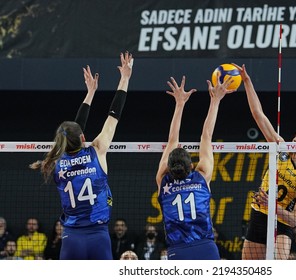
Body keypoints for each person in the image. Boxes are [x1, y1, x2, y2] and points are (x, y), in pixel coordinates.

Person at [29, 51, 134, 260]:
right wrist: (124, 78)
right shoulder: (97, 150)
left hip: (71, 239)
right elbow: (114, 116)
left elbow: (74, 132)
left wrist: (90, 93)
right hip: (98, 236)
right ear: (83, 137)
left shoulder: (56, 162)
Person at [233, 63, 296, 260]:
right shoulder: (281, 148)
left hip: (282, 222)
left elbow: (295, 220)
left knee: (278, 266)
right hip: (259, 216)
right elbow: (258, 115)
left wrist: (273, 205)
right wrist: (247, 81)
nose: (295, 139)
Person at [155, 74, 234, 260]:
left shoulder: (162, 180)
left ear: (168, 166)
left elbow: (172, 140)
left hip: (177, 250)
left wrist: (179, 103)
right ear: (192, 165)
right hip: (206, 247)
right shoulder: (202, 176)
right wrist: (215, 100)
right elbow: (206, 136)